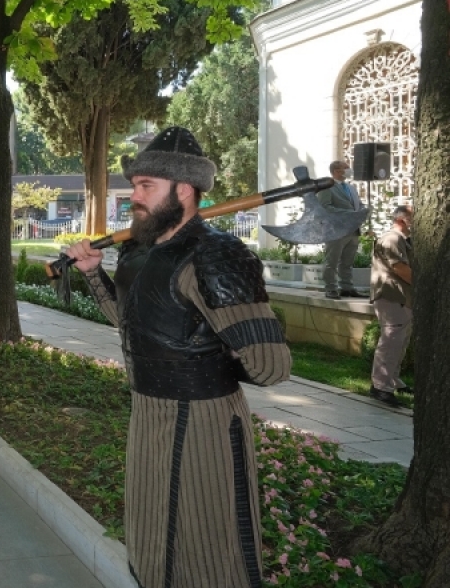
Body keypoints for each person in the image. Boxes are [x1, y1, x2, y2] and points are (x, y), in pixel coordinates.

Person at [62, 126, 290, 588]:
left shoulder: (217, 256)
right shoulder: (140, 251)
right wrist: (92, 273)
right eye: (135, 186)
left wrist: (203, 356)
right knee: (151, 540)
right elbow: (133, 324)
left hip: (204, 417)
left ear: (184, 190)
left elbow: (270, 366)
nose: (134, 197)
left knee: (207, 546)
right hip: (148, 413)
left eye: (146, 186)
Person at [368, 205, 414, 406]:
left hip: (402, 297)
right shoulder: (392, 239)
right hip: (391, 296)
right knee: (391, 342)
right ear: (403, 219)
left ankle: (392, 381)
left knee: (399, 342)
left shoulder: (402, 240)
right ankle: (381, 387)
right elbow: (401, 268)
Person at [316, 159, 366, 299]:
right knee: (332, 261)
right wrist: (348, 214)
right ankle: (330, 288)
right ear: (337, 171)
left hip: (353, 230)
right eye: (346, 168)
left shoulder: (351, 188)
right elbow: (324, 207)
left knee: (347, 262)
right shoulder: (326, 187)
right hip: (336, 230)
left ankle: (347, 288)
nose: (349, 170)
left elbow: (358, 204)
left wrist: (363, 211)